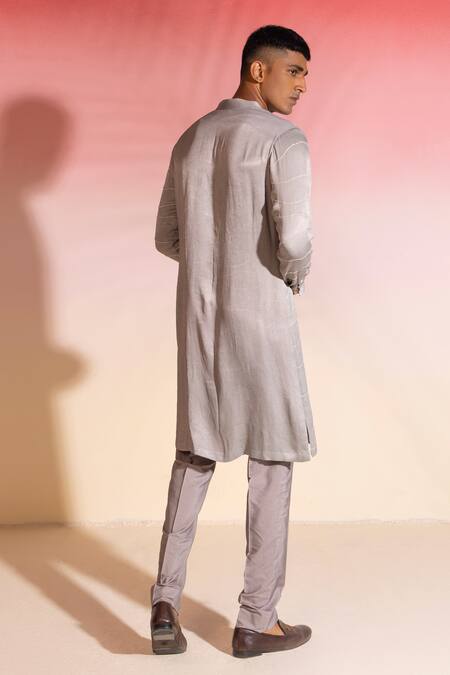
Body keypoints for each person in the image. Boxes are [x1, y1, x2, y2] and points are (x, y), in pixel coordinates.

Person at [150, 24, 318, 658]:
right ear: (257, 70)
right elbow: (294, 238)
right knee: (271, 461)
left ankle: (165, 602)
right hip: (263, 317)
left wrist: (210, 266)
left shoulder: (191, 138)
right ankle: (256, 620)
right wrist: (292, 273)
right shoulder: (283, 139)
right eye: (294, 71)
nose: (302, 86)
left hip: (198, 318)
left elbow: (167, 236)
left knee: (194, 451)